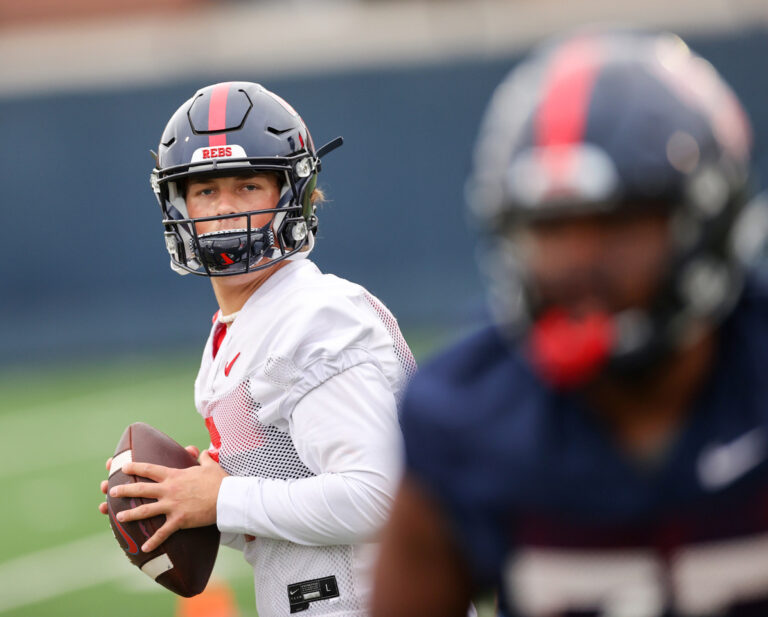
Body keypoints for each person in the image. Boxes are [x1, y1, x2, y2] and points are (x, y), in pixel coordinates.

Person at [372, 29, 768, 617]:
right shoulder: (464, 413)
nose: (580, 263)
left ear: (708, 218)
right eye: (552, 229)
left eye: (620, 224)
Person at [98, 81, 416, 617]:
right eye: (204, 191)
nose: (224, 209)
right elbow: (288, 514)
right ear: (178, 205)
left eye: (247, 186)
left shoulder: (313, 317)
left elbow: (382, 498)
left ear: (293, 194)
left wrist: (221, 497)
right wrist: (178, 500)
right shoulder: (240, 325)